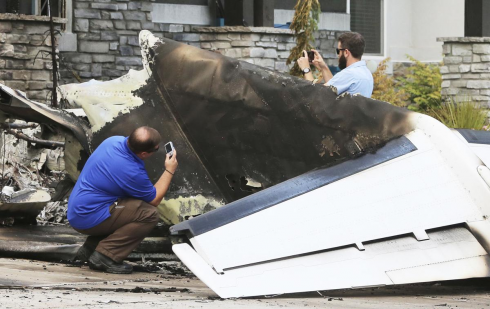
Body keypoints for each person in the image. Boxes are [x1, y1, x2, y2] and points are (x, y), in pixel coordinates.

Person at [67, 126, 178, 274]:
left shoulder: (113, 141)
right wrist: (170, 170)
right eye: (155, 150)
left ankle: (92, 247)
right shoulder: (131, 171)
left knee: (131, 205)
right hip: (88, 216)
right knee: (148, 214)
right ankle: (105, 256)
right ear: (144, 153)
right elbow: (155, 199)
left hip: (79, 208)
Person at [297, 32, 374, 98]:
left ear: (346, 52)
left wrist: (306, 69)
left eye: (338, 51)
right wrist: (323, 67)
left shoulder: (349, 74)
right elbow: (332, 89)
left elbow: (315, 95)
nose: (338, 55)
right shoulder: (366, 72)